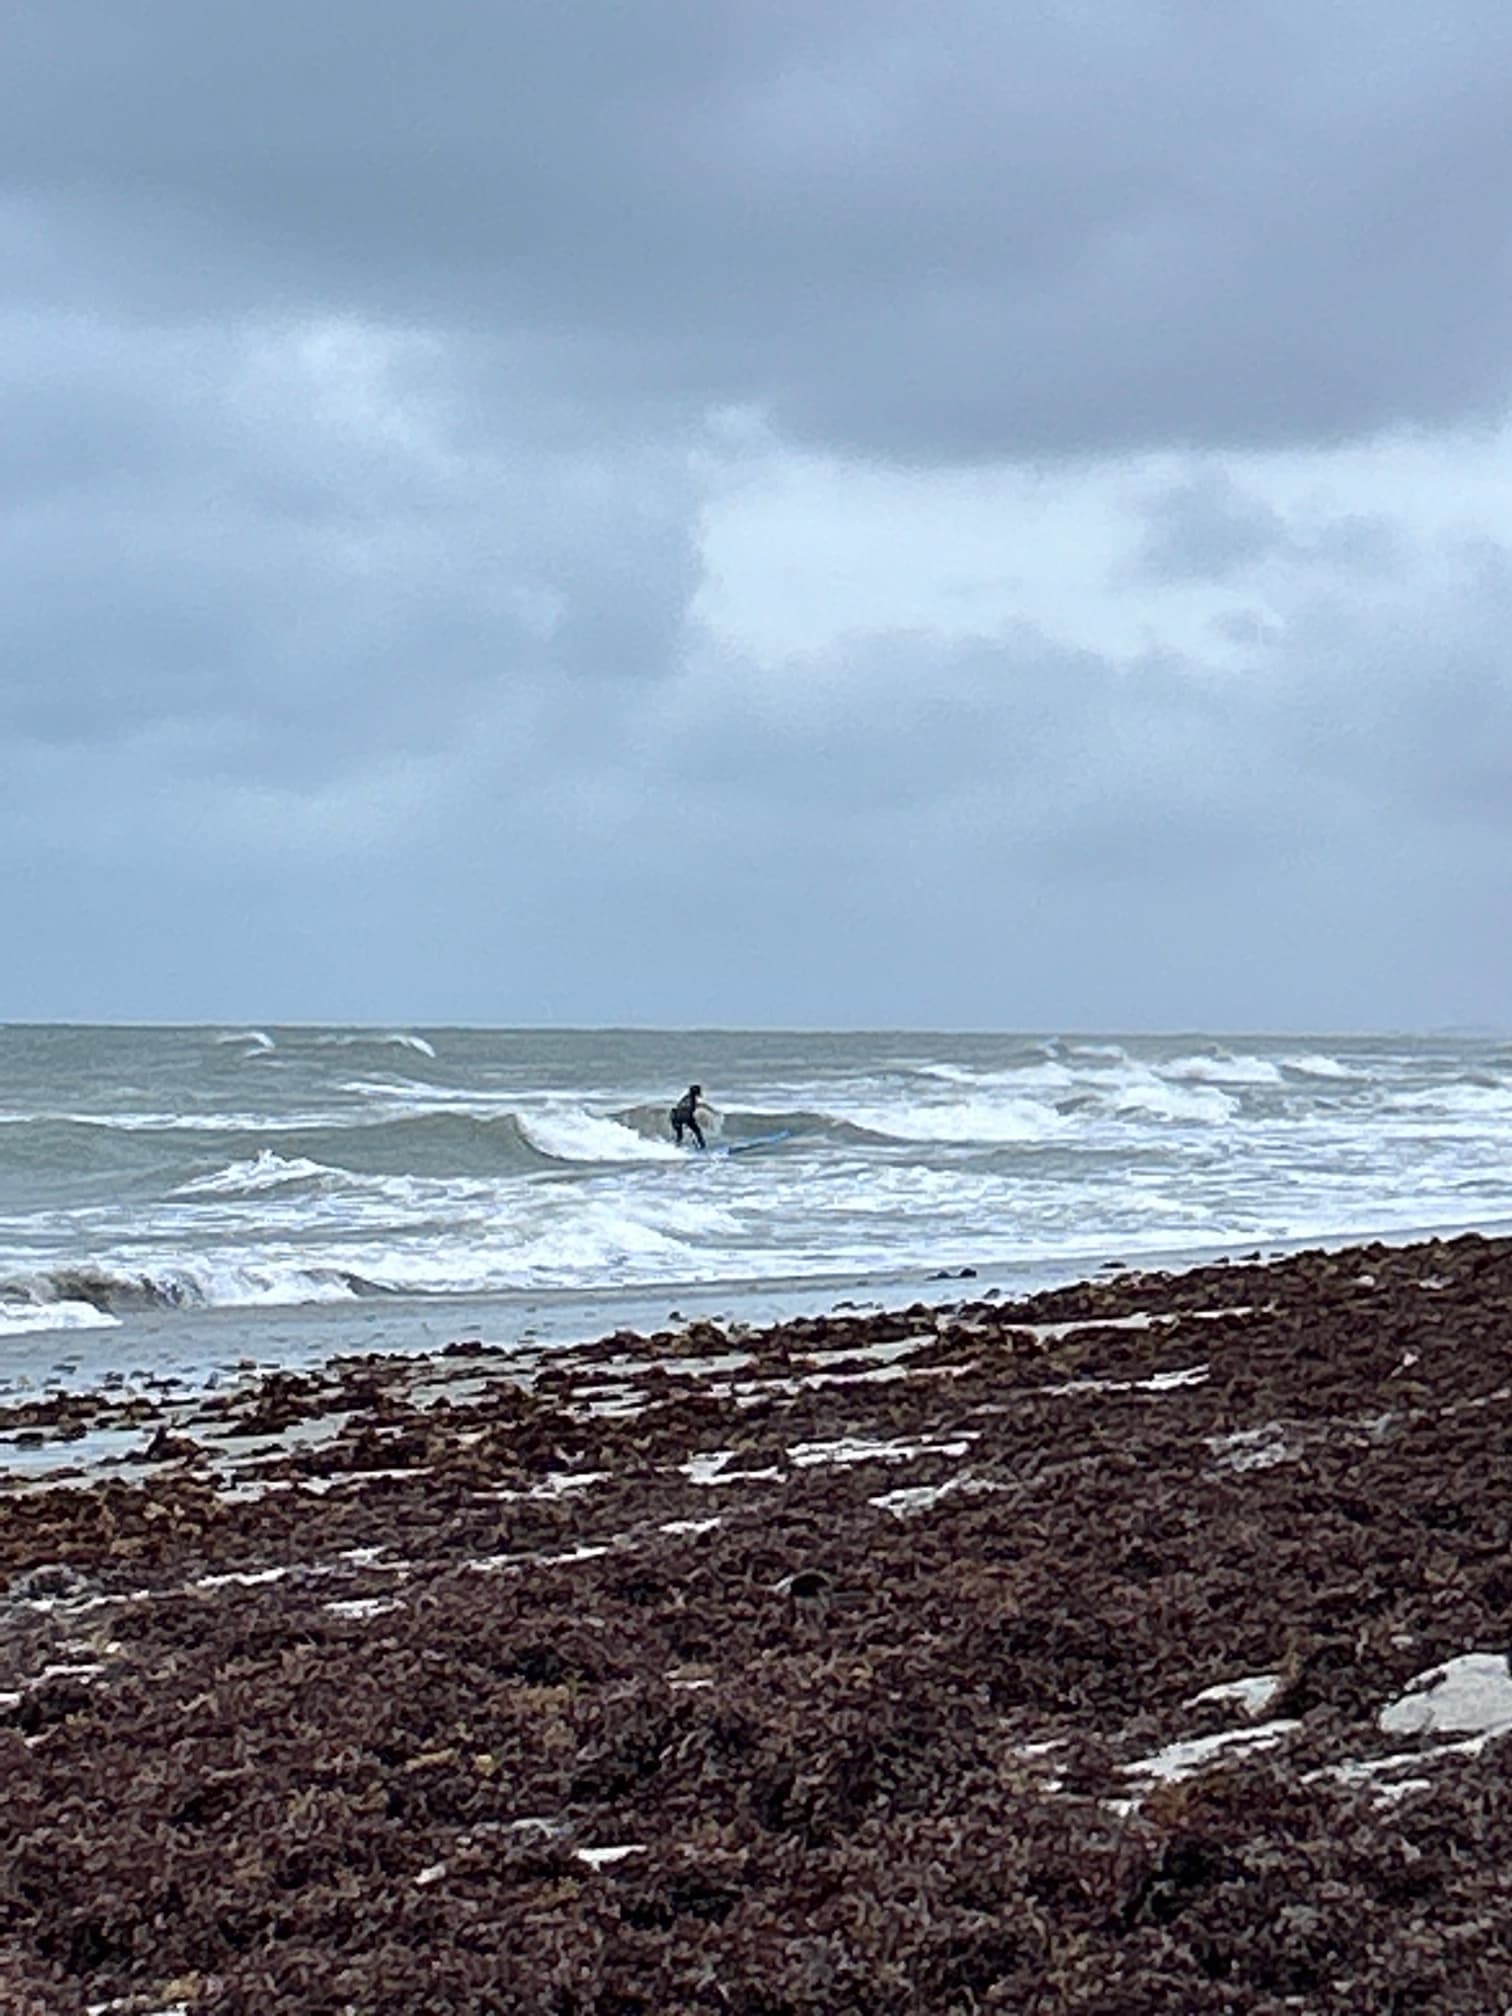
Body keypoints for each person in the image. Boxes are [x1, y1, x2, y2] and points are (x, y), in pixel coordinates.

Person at [669, 1083, 706, 1150]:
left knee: (680, 1136)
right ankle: (702, 1147)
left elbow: (680, 1106)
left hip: (674, 1115)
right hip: (681, 1116)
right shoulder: (692, 1100)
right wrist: (687, 1121)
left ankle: (676, 1149)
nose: (700, 1093)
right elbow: (688, 1110)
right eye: (699, 1091)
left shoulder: (685, 1097)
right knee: (697, 1131)